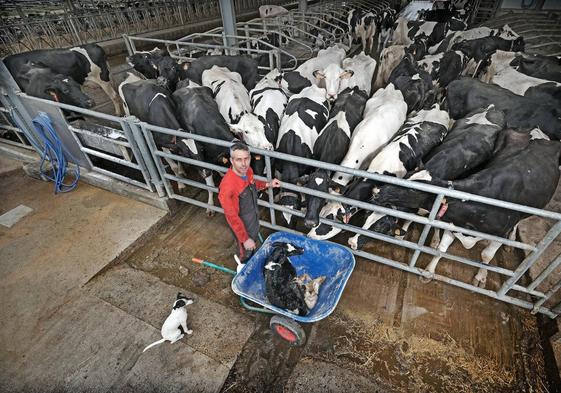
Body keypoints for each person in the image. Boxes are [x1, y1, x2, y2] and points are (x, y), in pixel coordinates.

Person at [218, 142, 281, 261]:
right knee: (245, 252)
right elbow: (231, 216)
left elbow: (253, 183)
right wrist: (245, 239)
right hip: (243, 227)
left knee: (253, 242)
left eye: (246, 159)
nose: (243, 164)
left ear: (250, 158)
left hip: (253, 218)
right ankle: (244, 263)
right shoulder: (228, 187)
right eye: (238, 160)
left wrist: (268, 184)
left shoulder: (248, 171)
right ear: (231, 161)